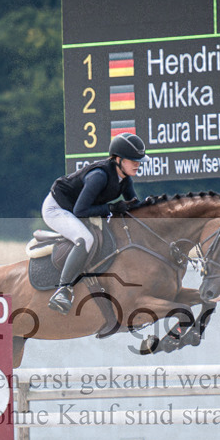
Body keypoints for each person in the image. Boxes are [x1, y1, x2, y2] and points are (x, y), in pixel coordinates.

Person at [42, 133, 146, 314]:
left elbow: (135, 207)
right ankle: (63, 290)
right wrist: (112, 207)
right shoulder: (99, 176)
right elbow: (80, 211)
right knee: (85, 239)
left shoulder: (125, 179)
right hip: (57, 208)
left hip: (75, 209)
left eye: (139, 160)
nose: (137, 164)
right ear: (118, 160)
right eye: (133, 160)